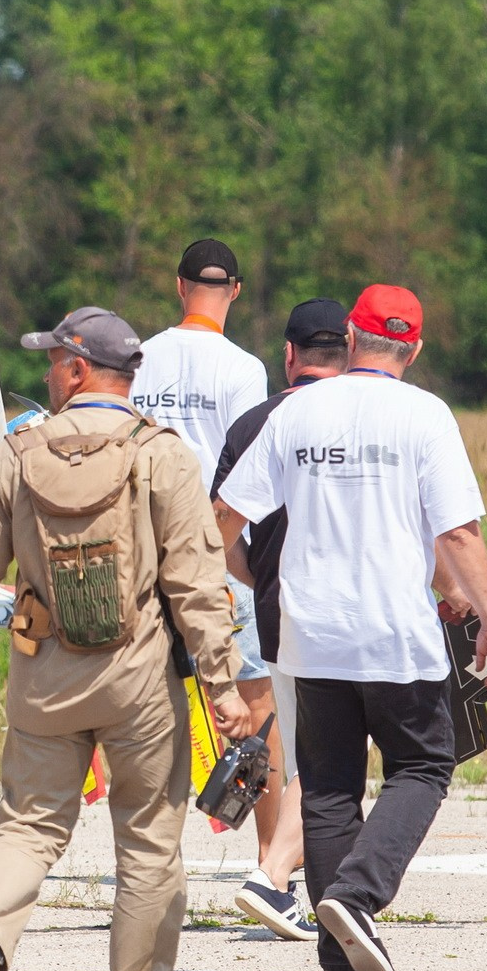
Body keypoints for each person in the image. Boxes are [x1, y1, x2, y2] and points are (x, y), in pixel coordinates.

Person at [0, 306, 254, 971]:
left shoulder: (17, 452)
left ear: (78, 370)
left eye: (53, 361)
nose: (47, 373)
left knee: (29, 822)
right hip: (140, 681)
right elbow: (197, 584)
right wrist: (222, 684)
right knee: (149, 839)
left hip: (44, 674)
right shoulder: (162, 454)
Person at [217, 285, 487, 971]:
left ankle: (340, 964)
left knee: (327, 786)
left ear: (351, 337)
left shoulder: (297, 412)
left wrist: (251, 576)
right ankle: (358, 893)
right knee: (423, 765)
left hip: (310, 634)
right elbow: (458, 532)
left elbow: (223, 516)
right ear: (415, 349)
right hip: (395, 635)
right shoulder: (426, 414)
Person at [128, 240, 290, 911]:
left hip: (142, 551)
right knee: (256, 706)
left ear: (179, 285)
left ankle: (150, 867)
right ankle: (272, 864)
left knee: (146, 709)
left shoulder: (139, 357)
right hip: (215, 554)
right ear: (237, 291)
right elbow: (246, 464)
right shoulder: (245, 368)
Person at [207, 298, 349, 940]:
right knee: (333, 752)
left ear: (288, 355)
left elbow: (217, 531)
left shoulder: (251, 425)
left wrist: (256, 577)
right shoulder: (363, 416)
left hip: (276, 607)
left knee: (304, 747)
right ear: (349, 352)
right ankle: (276, 876)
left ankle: (305, 884)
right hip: (349, 608)